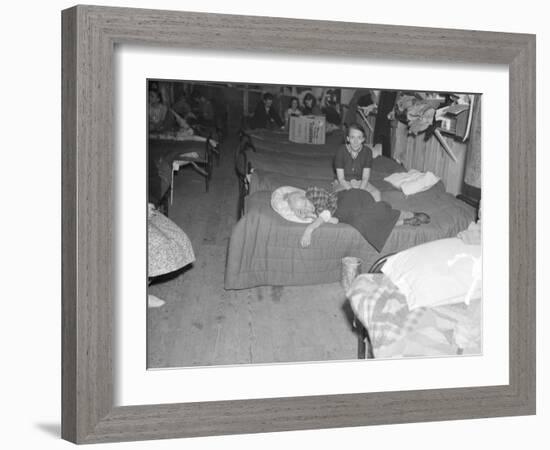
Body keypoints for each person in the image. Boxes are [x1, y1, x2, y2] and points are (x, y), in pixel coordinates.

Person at [283, 187, 430, 252]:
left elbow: (327, 213)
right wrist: (308, 215)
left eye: (304, 204)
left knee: (369, 214)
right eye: (300, 211)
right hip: (346, 214)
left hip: (350, 199)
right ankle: (405, 221)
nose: (306, 209)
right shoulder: (311, 212)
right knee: (363, 224)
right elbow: (332, 220)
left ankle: (407, 214)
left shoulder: (313, 193)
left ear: (305, 196)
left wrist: (310, 229)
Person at [333, 123, 382, 201]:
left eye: (359, 137)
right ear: (348, 138)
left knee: (376, 194)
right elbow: (341, 178)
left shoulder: (368, 152)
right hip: (343, 182)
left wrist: (360, 192)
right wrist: (353, 192)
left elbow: (365, 178)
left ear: (363, 139)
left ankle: (374, 211)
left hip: (360, 182)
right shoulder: (341, 151)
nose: (356, 141)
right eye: (352, 137)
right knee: (344, 198)